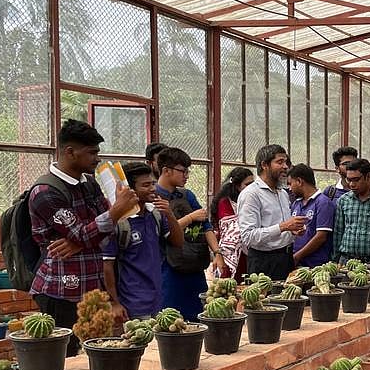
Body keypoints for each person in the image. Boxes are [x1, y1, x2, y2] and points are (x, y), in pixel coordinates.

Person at [28, 119, 138, 356]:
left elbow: (106, 231)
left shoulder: (89, 183)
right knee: (63, 357)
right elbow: (87, 230)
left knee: (92, 353)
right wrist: (114, 212)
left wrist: (81, 240)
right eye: (91, 153)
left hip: (91, 287)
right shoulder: (45, 192)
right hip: (60, 291)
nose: (97, 159)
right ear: (70, 152)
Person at [102, 162, 184, 321]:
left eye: (153, 183)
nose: (153, 188)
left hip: (157, 299)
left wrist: (169, 214)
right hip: (132, 303)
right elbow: (107, 266)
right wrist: (114, 303)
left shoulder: (155, 214)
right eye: (146, 185)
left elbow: (178, 242)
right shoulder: (119, 222)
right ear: (130, 190)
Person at [154, 147, 224, 321]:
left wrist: (217, 252)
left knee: (198, 317)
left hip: (194, 265)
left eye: (187, 171)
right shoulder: (153, 197)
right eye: (183, 171)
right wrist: (190, 217)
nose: (187, 175)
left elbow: (206, 225)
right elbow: (161, 232)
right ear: (166, 171)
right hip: (168, 269)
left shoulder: (187, 195)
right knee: (171, 320)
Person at [237, 144, 303, 280]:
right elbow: (248, 237)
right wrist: (283, 227)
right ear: (264, 165)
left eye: (286, 162)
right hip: (264, 264)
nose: (286, 166)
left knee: (288, 299)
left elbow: (282, 227)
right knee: (267, 300)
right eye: (280, 162)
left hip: (286, 258)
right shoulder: (251, 194)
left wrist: (292, 231)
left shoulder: (282, 193)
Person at [333, 158, 370, 263]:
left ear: (369, 177)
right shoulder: (344, 200)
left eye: (356, 180)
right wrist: (335, 260)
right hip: (346, 261)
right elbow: (338, 233)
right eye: (348, 180)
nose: (351, 184)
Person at [210, 166, 254, 281]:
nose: (251, 188)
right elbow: (232, 229)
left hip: (248, 251)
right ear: (236, 186)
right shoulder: (225, 202)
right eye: (247, 185)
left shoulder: (250, 200)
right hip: (231, 253)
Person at [289, 163, 335, 267]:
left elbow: (321, 237)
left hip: (315, 264)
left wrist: (297, 256)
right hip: (296, 262)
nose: (290, 189)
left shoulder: (323, 203)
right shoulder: (296, 203)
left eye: (290, 183)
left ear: (300, 181)